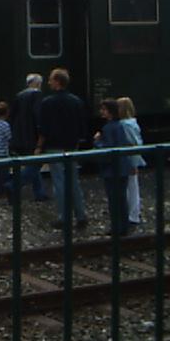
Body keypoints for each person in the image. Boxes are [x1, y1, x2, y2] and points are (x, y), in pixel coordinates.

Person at [35, 68, 88, 230]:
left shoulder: (47, 103)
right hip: (72, 146)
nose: (49, 82)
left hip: (54, 147)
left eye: (51, 79)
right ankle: (81, 215)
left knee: (59, 183)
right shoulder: (76, 101)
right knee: (74, 182)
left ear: (57, 81)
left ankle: (64, 217)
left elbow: (43, 128)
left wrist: (38, 146)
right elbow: (82, 127)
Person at [6, 73, 49, 201]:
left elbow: (12, 117)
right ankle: (13, 185)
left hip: (20, 137)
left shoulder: (19, 95)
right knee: (35, 164)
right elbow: (38, 117)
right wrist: (41, 135)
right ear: (37, 83)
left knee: (32, 164)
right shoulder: (37, 95)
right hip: (32, 137)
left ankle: (39, 193)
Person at [93, 99, 131, 236]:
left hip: (111, 169)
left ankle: (116, 227)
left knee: (113, 199)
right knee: (121, 198)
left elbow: (107, 149)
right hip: (122, 167)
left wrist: (97, 142)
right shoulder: (119, 126)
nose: (101, 112)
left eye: (104, 109)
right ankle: (124, 226)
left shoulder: (108, 128)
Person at [117, 96, 146, 227]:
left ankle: (133, 214)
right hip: (132, 158)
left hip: (128, 159)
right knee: (132, 186)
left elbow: (131, 143)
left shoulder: (124, 125)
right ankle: (133, 213)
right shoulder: (133, 123)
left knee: (131, 187)